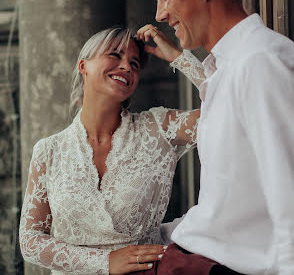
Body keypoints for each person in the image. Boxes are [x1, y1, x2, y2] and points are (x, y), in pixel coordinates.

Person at [133, 0, 294, 275]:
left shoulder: (261, 64)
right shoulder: (229, 70)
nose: (159, 15)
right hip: (190, 251)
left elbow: (290, 197)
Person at [19, 26, 207, 275]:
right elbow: (31, 241)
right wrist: (105, 262)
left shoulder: (159, 130)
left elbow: (231, 111)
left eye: (135, 63)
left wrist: (178, 57)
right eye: (115, 55)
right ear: (83, 66)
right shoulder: (49, 151)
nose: (127, 67)